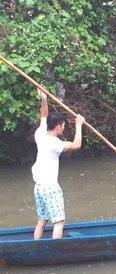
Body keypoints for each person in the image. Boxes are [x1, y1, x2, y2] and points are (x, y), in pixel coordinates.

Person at [32, 88, 85, 239]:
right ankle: (55, 252)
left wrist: (44, 98)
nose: (64, 128)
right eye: (63, 125)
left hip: (39, 188)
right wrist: (79, 125)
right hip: (50, 188)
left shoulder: (40, 134)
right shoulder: (54, 143)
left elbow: (44, 114)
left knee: (42, 220)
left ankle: (37, 247)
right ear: (58, 126)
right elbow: (76, 145)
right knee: (59, 221)